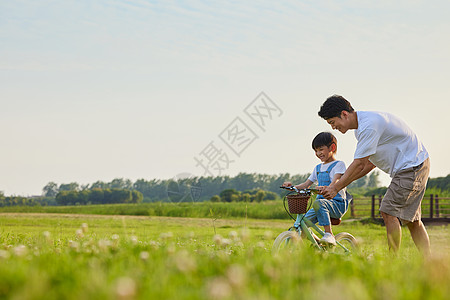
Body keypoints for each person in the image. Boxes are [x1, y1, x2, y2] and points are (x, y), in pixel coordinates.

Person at [317, 95, 431, 256]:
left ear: (344, 114)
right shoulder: (362, 127)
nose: (333, 127)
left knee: (388, 211)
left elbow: (360, 163)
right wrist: (340, 184)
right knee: (413, 220)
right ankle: (429, 261)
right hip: (415, 164)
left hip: (411, 166)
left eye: (332, 122)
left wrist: (336, 187)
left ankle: (392, 261)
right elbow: (369, 164)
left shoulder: (368, 126)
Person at [283, 132, 351, 245]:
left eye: (321, 149)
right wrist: (292, 187)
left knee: (319, 204)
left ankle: (329, 234)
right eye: (315, 150)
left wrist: (329, 187)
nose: (318, 153)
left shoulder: (339, 164)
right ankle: (320, 244)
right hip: (319, 204)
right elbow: (306, 185)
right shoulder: (318, 168)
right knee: (301, 225)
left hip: (337, 204)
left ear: (332, 147)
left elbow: (337, 180)